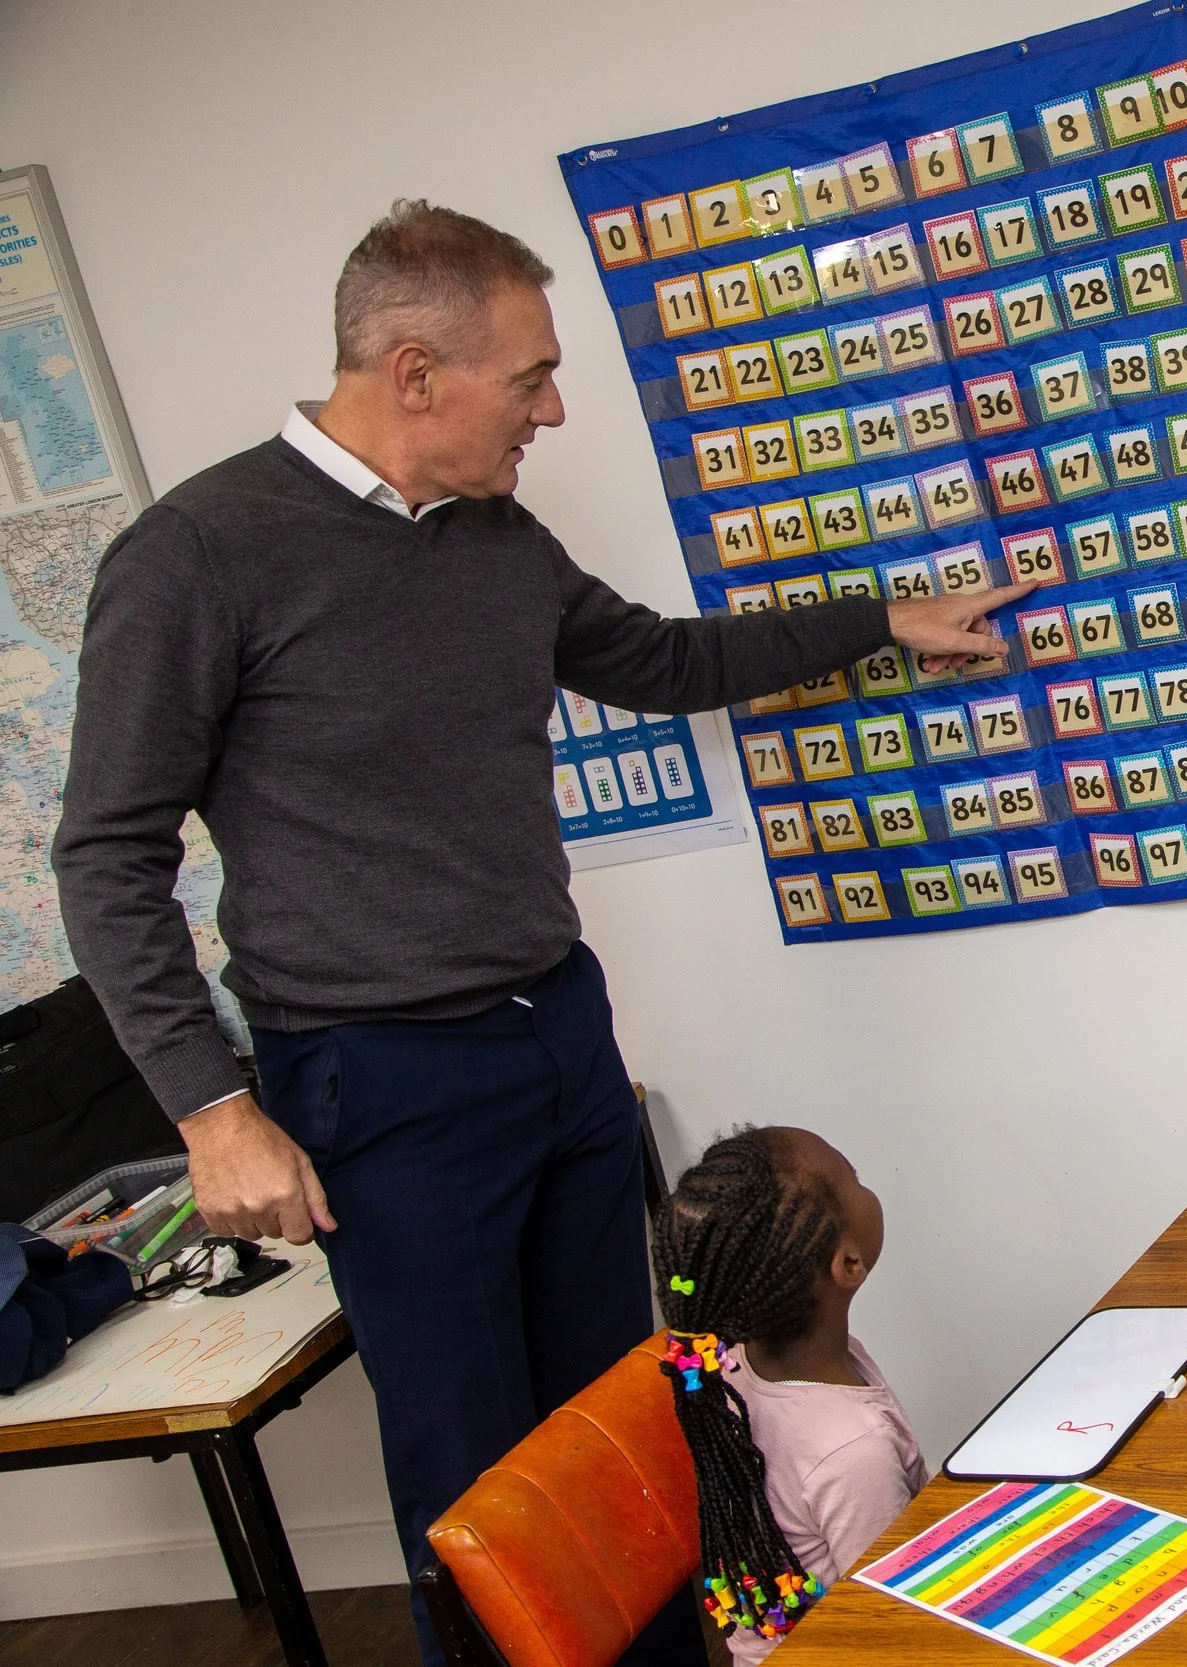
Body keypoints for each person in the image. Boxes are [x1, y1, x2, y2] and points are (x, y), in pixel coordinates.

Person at [51, 201, 1024, 1666]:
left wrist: (882, 618)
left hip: (560, 1038)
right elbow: (106, 850)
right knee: (478, 1489)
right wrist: (211, 1106)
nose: (553, 410)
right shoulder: (200, 552)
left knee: (622, 1436)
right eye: (533, 378)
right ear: (417, 367)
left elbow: (660, 657)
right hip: (379, 1076)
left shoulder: (497, 540)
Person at [652, 1129, 922, 1661]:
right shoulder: (852, 1452)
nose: (867, 1188)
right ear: (847, 1265)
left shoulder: (732, 1372)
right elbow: (895, 1619)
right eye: (855, 1180)